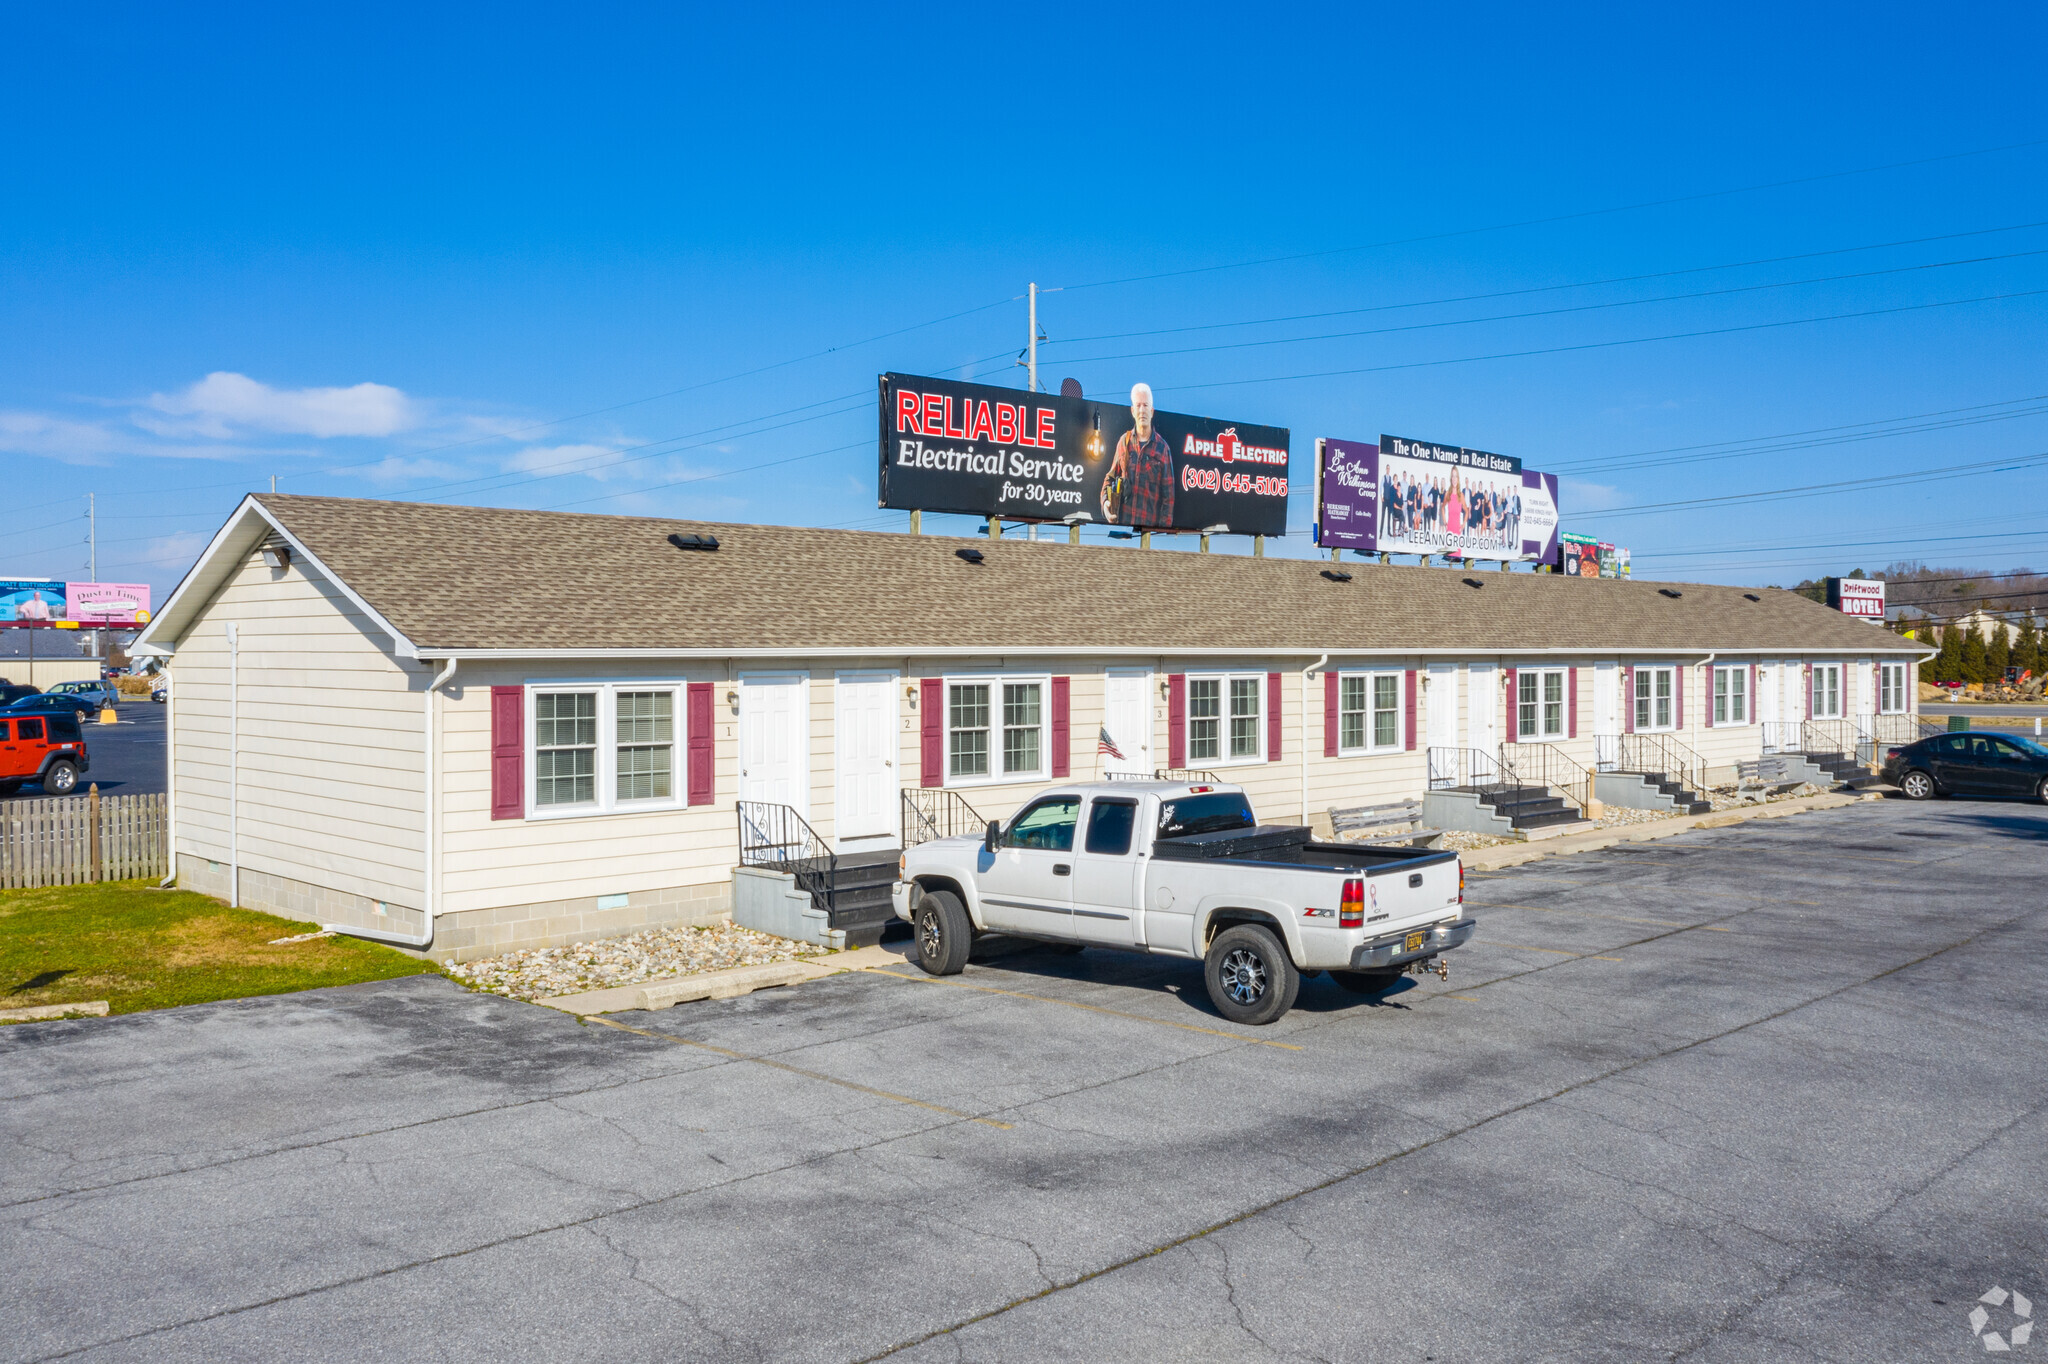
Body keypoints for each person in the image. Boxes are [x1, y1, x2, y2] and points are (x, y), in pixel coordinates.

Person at [1103, 382, 1174, 528]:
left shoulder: (1163, 448)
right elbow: (1109, 479)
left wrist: (1159, 532)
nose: (1142, 410)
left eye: (1146, 405)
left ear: (1152, 411)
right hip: (1123, 532)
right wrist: (1106, 505)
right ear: (1132, 411)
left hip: (1149, 535)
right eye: (1138, 405)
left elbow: (1169, 498)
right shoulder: (1124, 442)